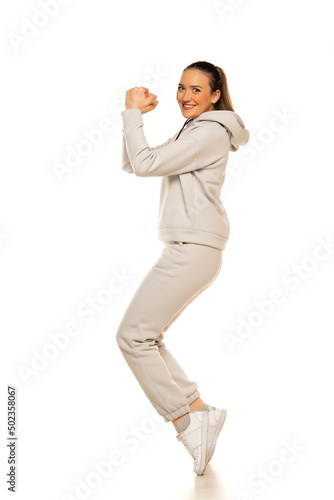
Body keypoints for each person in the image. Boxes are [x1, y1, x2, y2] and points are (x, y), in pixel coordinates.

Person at [116, 60, 249, 475]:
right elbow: (134, 163)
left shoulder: (208, 131)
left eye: (196, 89)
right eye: (181, 88)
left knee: (132, 337)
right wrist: (134, 121)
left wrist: (132, 114)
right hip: (190, 246)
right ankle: (197, 409)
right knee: (146, 337)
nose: (185, 96)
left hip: (193, 246)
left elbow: (144, 164)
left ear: (215, 95)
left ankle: (184, 420)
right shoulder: (195, 130)